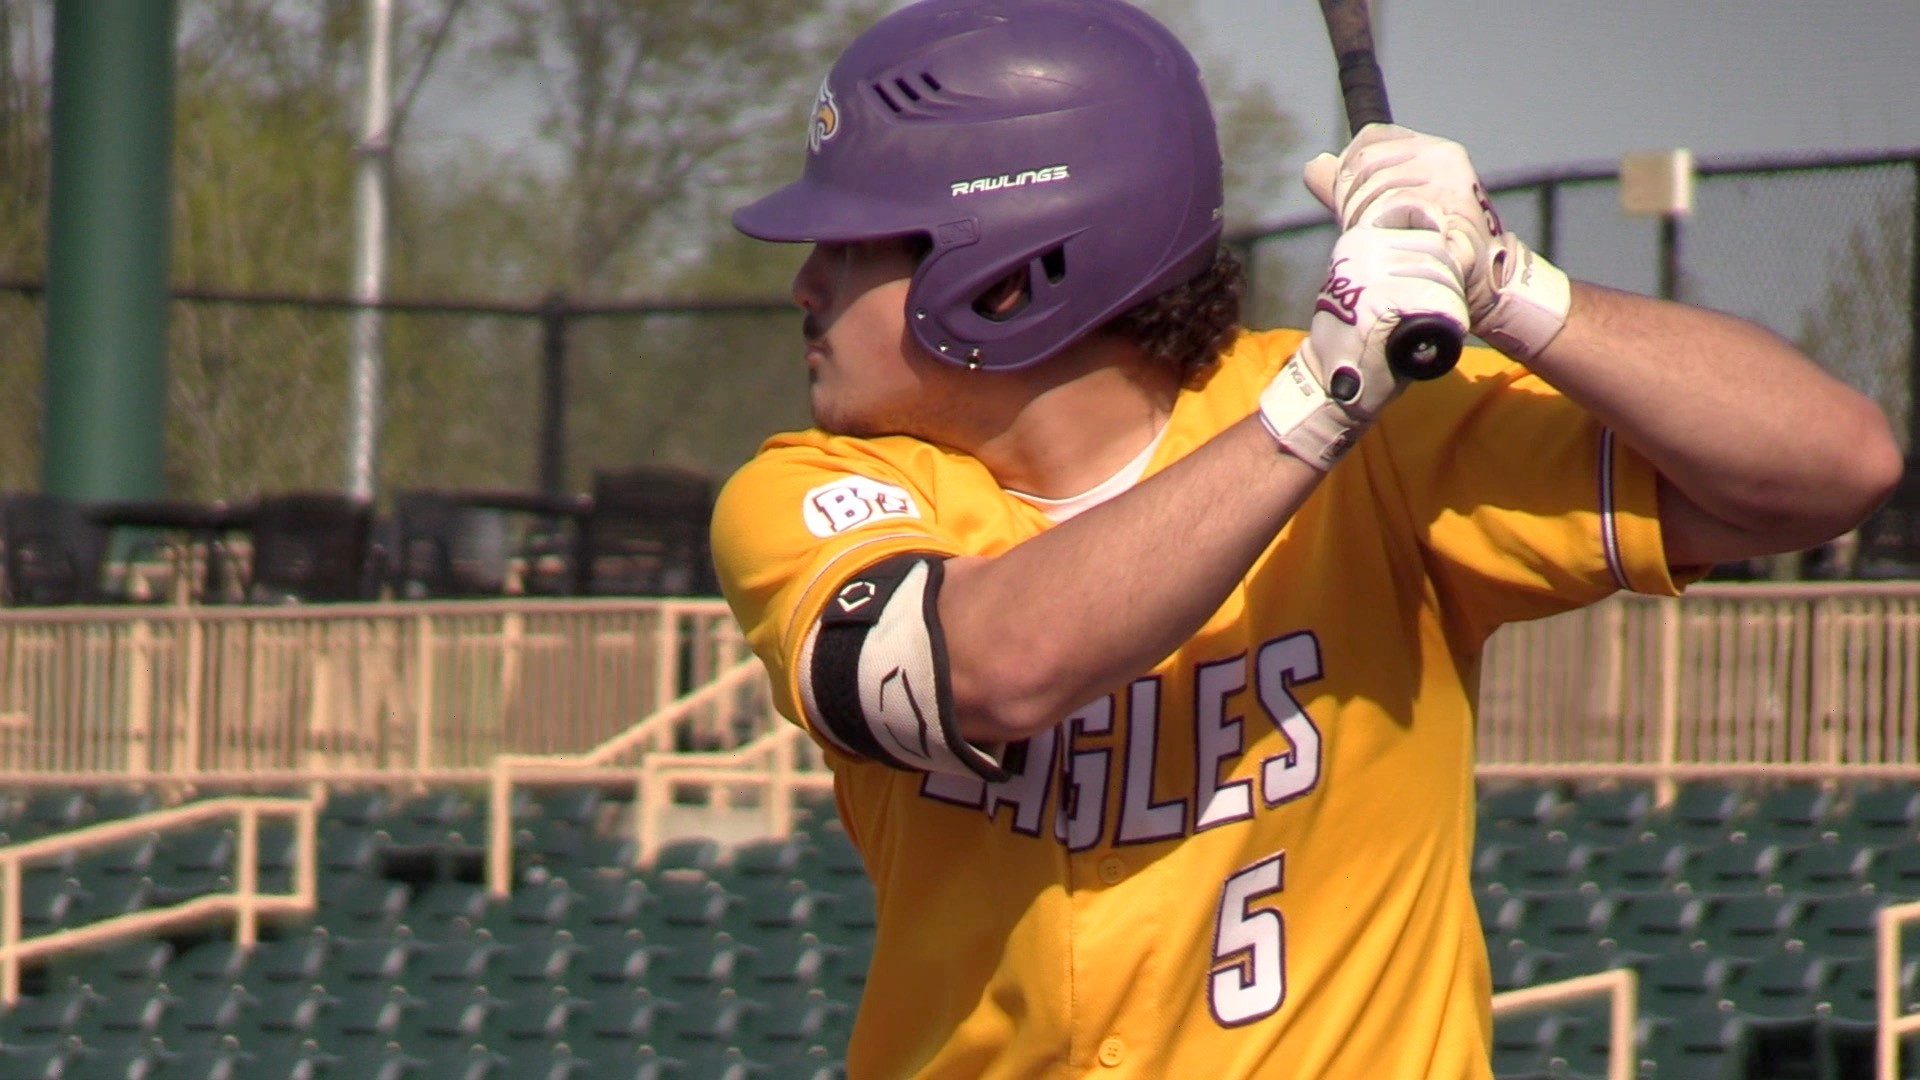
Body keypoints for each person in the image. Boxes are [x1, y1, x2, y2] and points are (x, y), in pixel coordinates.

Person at [708, 0, 1903, 1075]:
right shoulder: (809, 488)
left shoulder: (1383, 431)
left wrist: (1509, 281)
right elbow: (994, 669)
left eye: (852, 245)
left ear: (1009, 275)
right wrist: (1319, 408)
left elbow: (1832, 468)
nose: (806, 285)